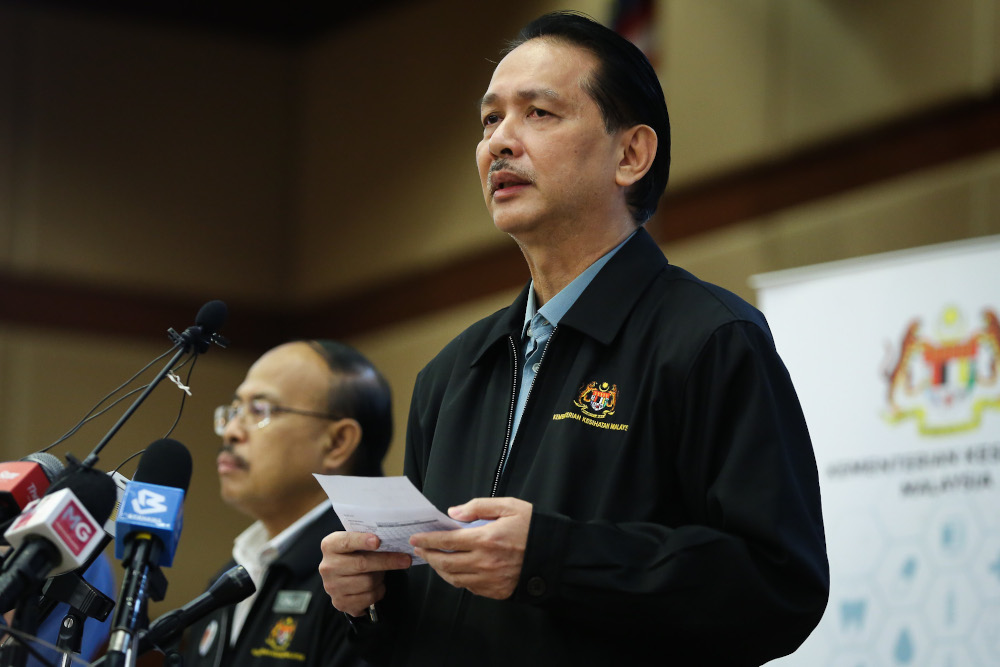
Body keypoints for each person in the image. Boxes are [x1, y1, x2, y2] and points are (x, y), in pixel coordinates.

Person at [319, 11, 829, 667]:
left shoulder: (708, 338)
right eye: (489, 119)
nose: (500, 142)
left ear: (630, 154)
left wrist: (552, 559)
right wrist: (372, 597)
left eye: (539, 113)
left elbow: (777, 586)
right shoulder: (451, 373)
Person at [179, 340, 391, 667]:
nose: (232, 431)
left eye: (260, 410)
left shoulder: (368, 580)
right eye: (235, 411)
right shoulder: (233, 574)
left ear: (337, 442)